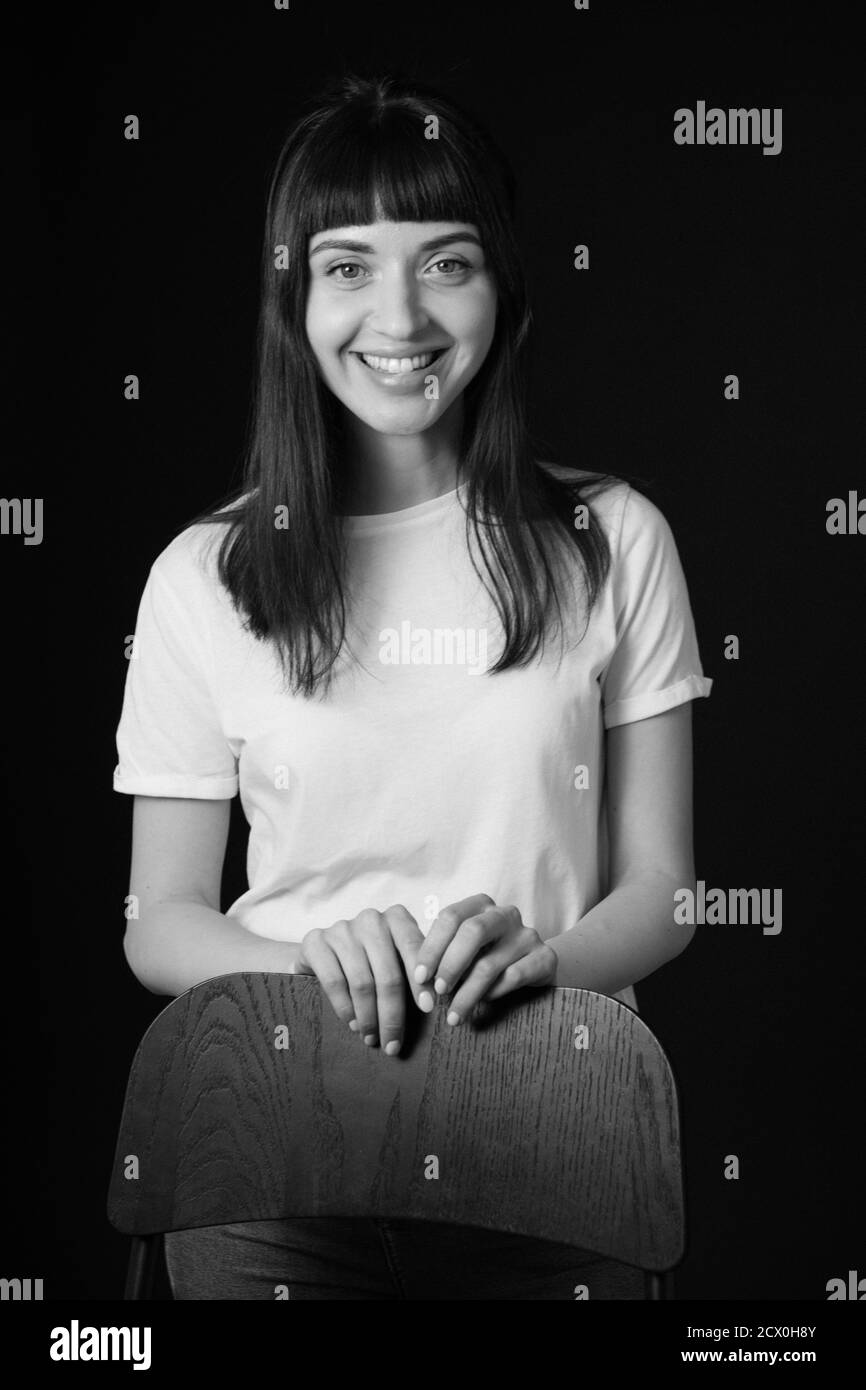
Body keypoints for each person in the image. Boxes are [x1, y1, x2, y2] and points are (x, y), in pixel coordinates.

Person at [113, 72, 713, 1300]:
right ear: (296, 295)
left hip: (556, 1136)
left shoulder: (614, 537)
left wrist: (542, 963)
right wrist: (319, 965)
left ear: (503, 284)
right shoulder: (200, 574)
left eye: (445, 261)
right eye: (347, 266)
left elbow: (663, 890)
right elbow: (161, 918)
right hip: (270, 1151)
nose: (400, 313)